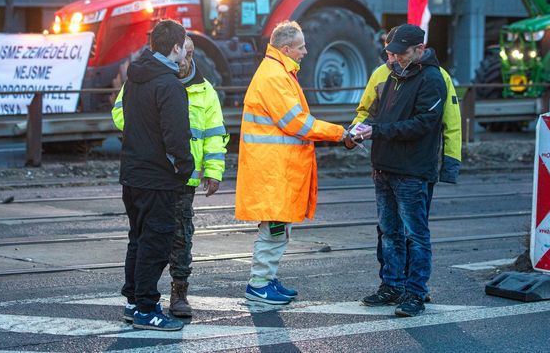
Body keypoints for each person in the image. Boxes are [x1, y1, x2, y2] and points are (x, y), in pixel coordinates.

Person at [112, 35, 228, 318]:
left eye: (190, 55)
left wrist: (213, 172)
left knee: (180, 238)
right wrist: (152, 130)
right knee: (149, 239)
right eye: (182, 53)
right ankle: (142, 299)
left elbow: (215, 134)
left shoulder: (204, 90)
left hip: (184, 179)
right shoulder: (151, 82)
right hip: (157, 174)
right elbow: (119, 113)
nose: (184, 61)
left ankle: (179, 292)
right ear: (174, 51)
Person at [235, 20, 348, 305]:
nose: (305, 51)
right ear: (286, 48)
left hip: (275, 169)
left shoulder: (278, 72)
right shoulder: (275, 76)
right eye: (301, 46)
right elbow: (296, 122)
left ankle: (266, 279)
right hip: (275, 171)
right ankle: (259, 284)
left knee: (277, 229)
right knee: (274, 229)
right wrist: (339, 133)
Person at [349, 26, 462, 303]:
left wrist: (375, 131)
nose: (394, 58)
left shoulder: (434, 79)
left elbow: (425, 124)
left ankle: (415, 293)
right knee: (389, 232)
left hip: (412, 170)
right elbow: (373, 114)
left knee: (415, 235)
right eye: (391, 52)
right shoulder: (390, 74)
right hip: (385, 167)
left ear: (419, 50)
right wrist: (356, 131)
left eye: (401, 53)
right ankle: (392, 286)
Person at [118, 19, 194, 331]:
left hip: (132, 174)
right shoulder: (169, 85)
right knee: (157, 242)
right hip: (158, 178)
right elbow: (175, 136)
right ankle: (147, 308)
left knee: (137, 238)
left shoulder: (135, 78)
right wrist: (185, 167)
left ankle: (134, 301)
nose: (186, 48)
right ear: (175, 47)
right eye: (184, 43)